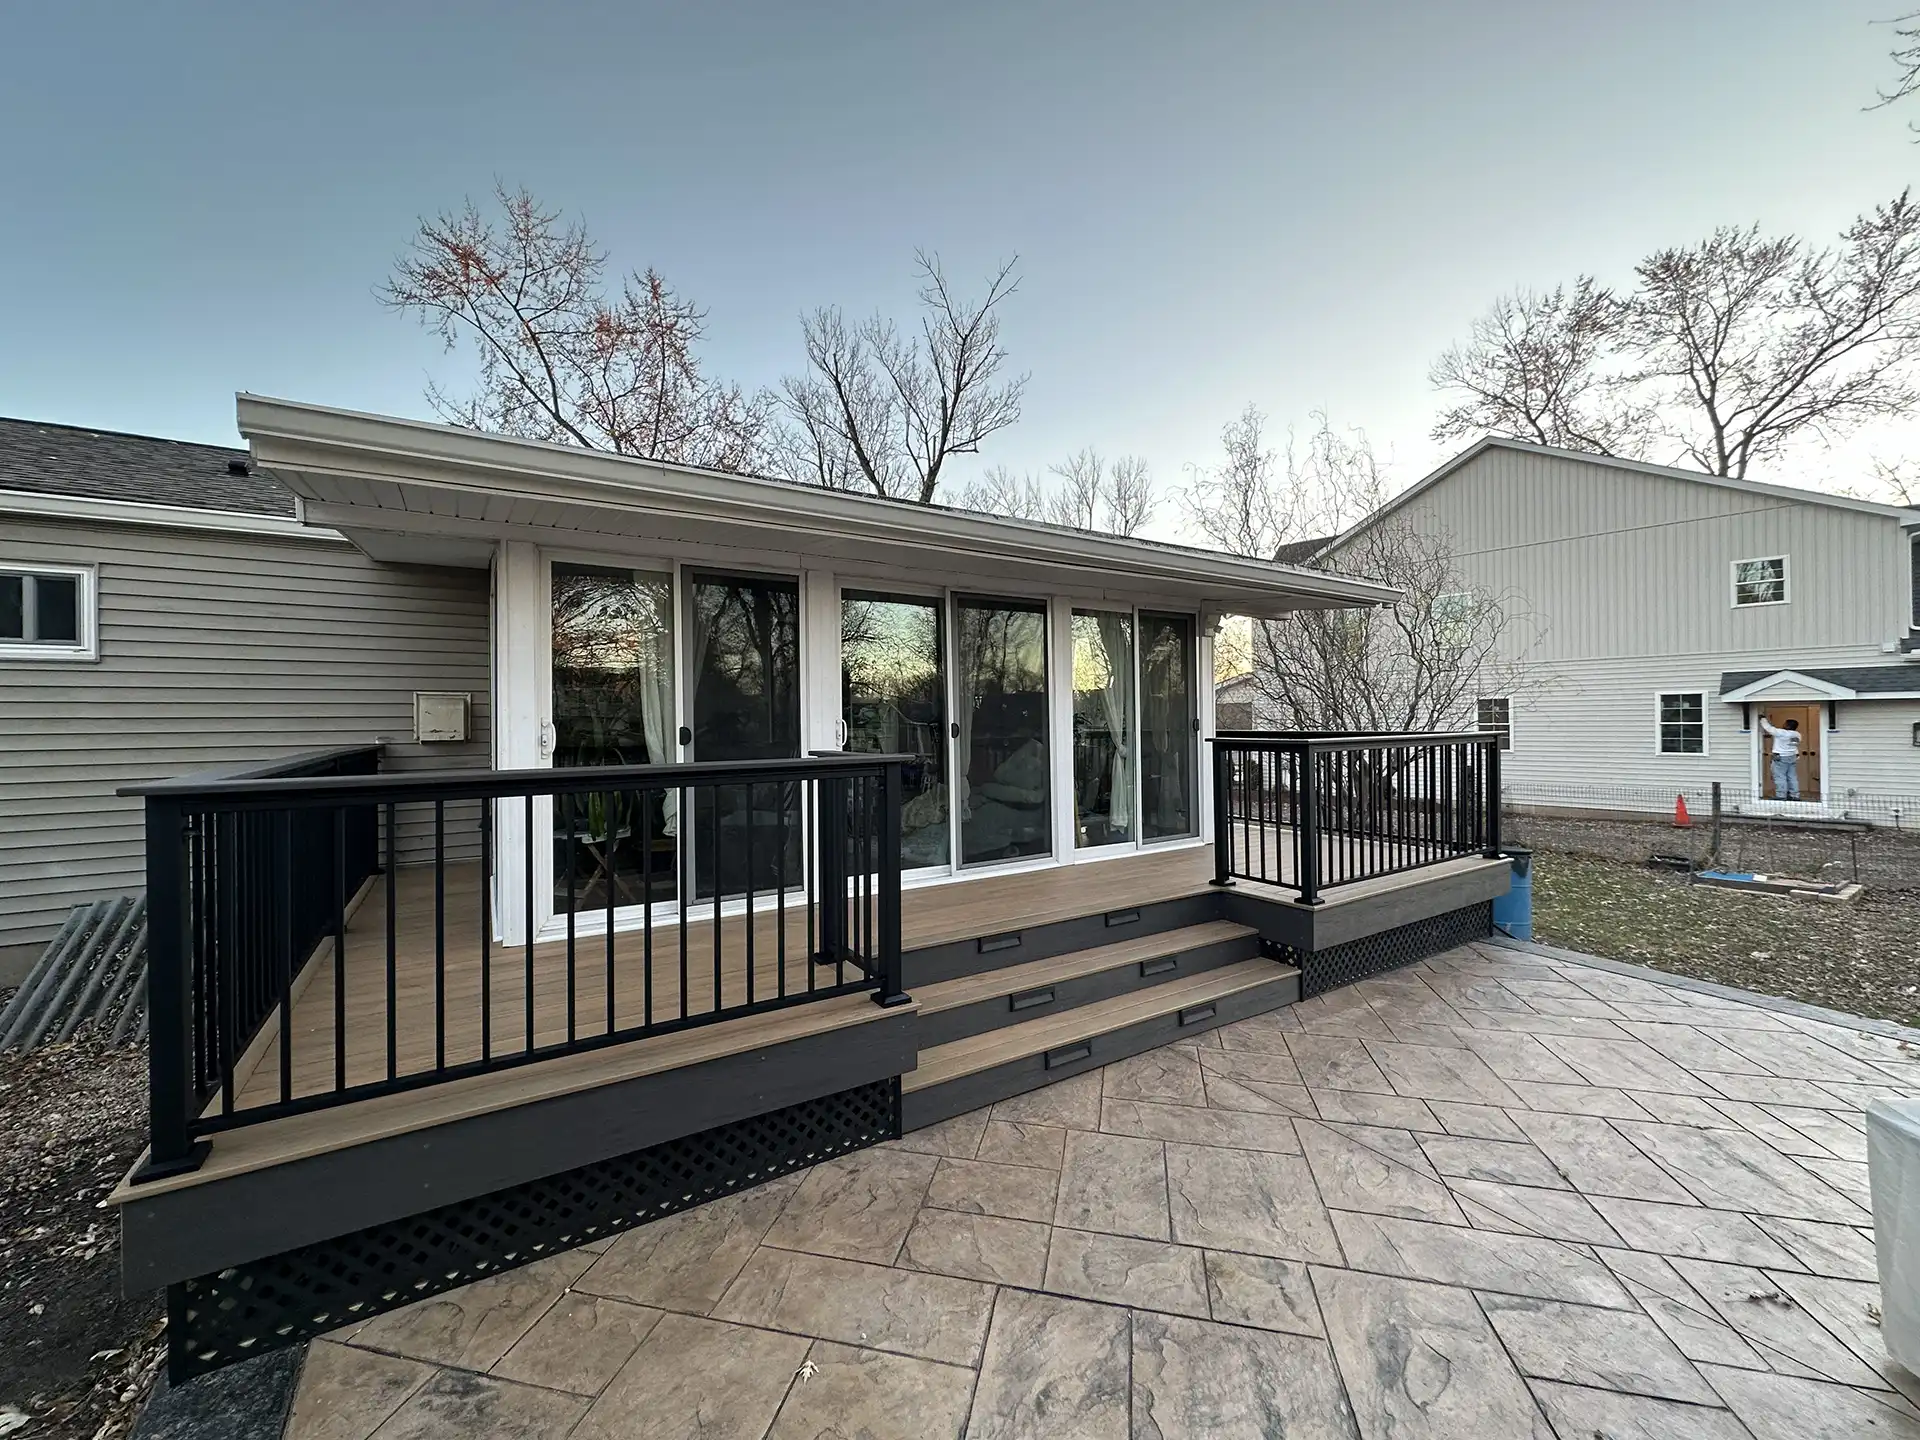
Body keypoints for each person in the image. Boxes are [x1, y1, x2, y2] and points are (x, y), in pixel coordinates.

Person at [1759, 714, 1802, 800]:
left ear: (1788, 725)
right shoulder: (1797, 734)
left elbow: (1768, 728)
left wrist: (1762, 718)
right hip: (1792, 757)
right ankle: (1794, 795)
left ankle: (1781, 795)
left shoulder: (1782, 733)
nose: (1783, 725)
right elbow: (1794, 745)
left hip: (1780, 758)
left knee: (1780, 777)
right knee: (1792, 777)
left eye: (1785, 724)